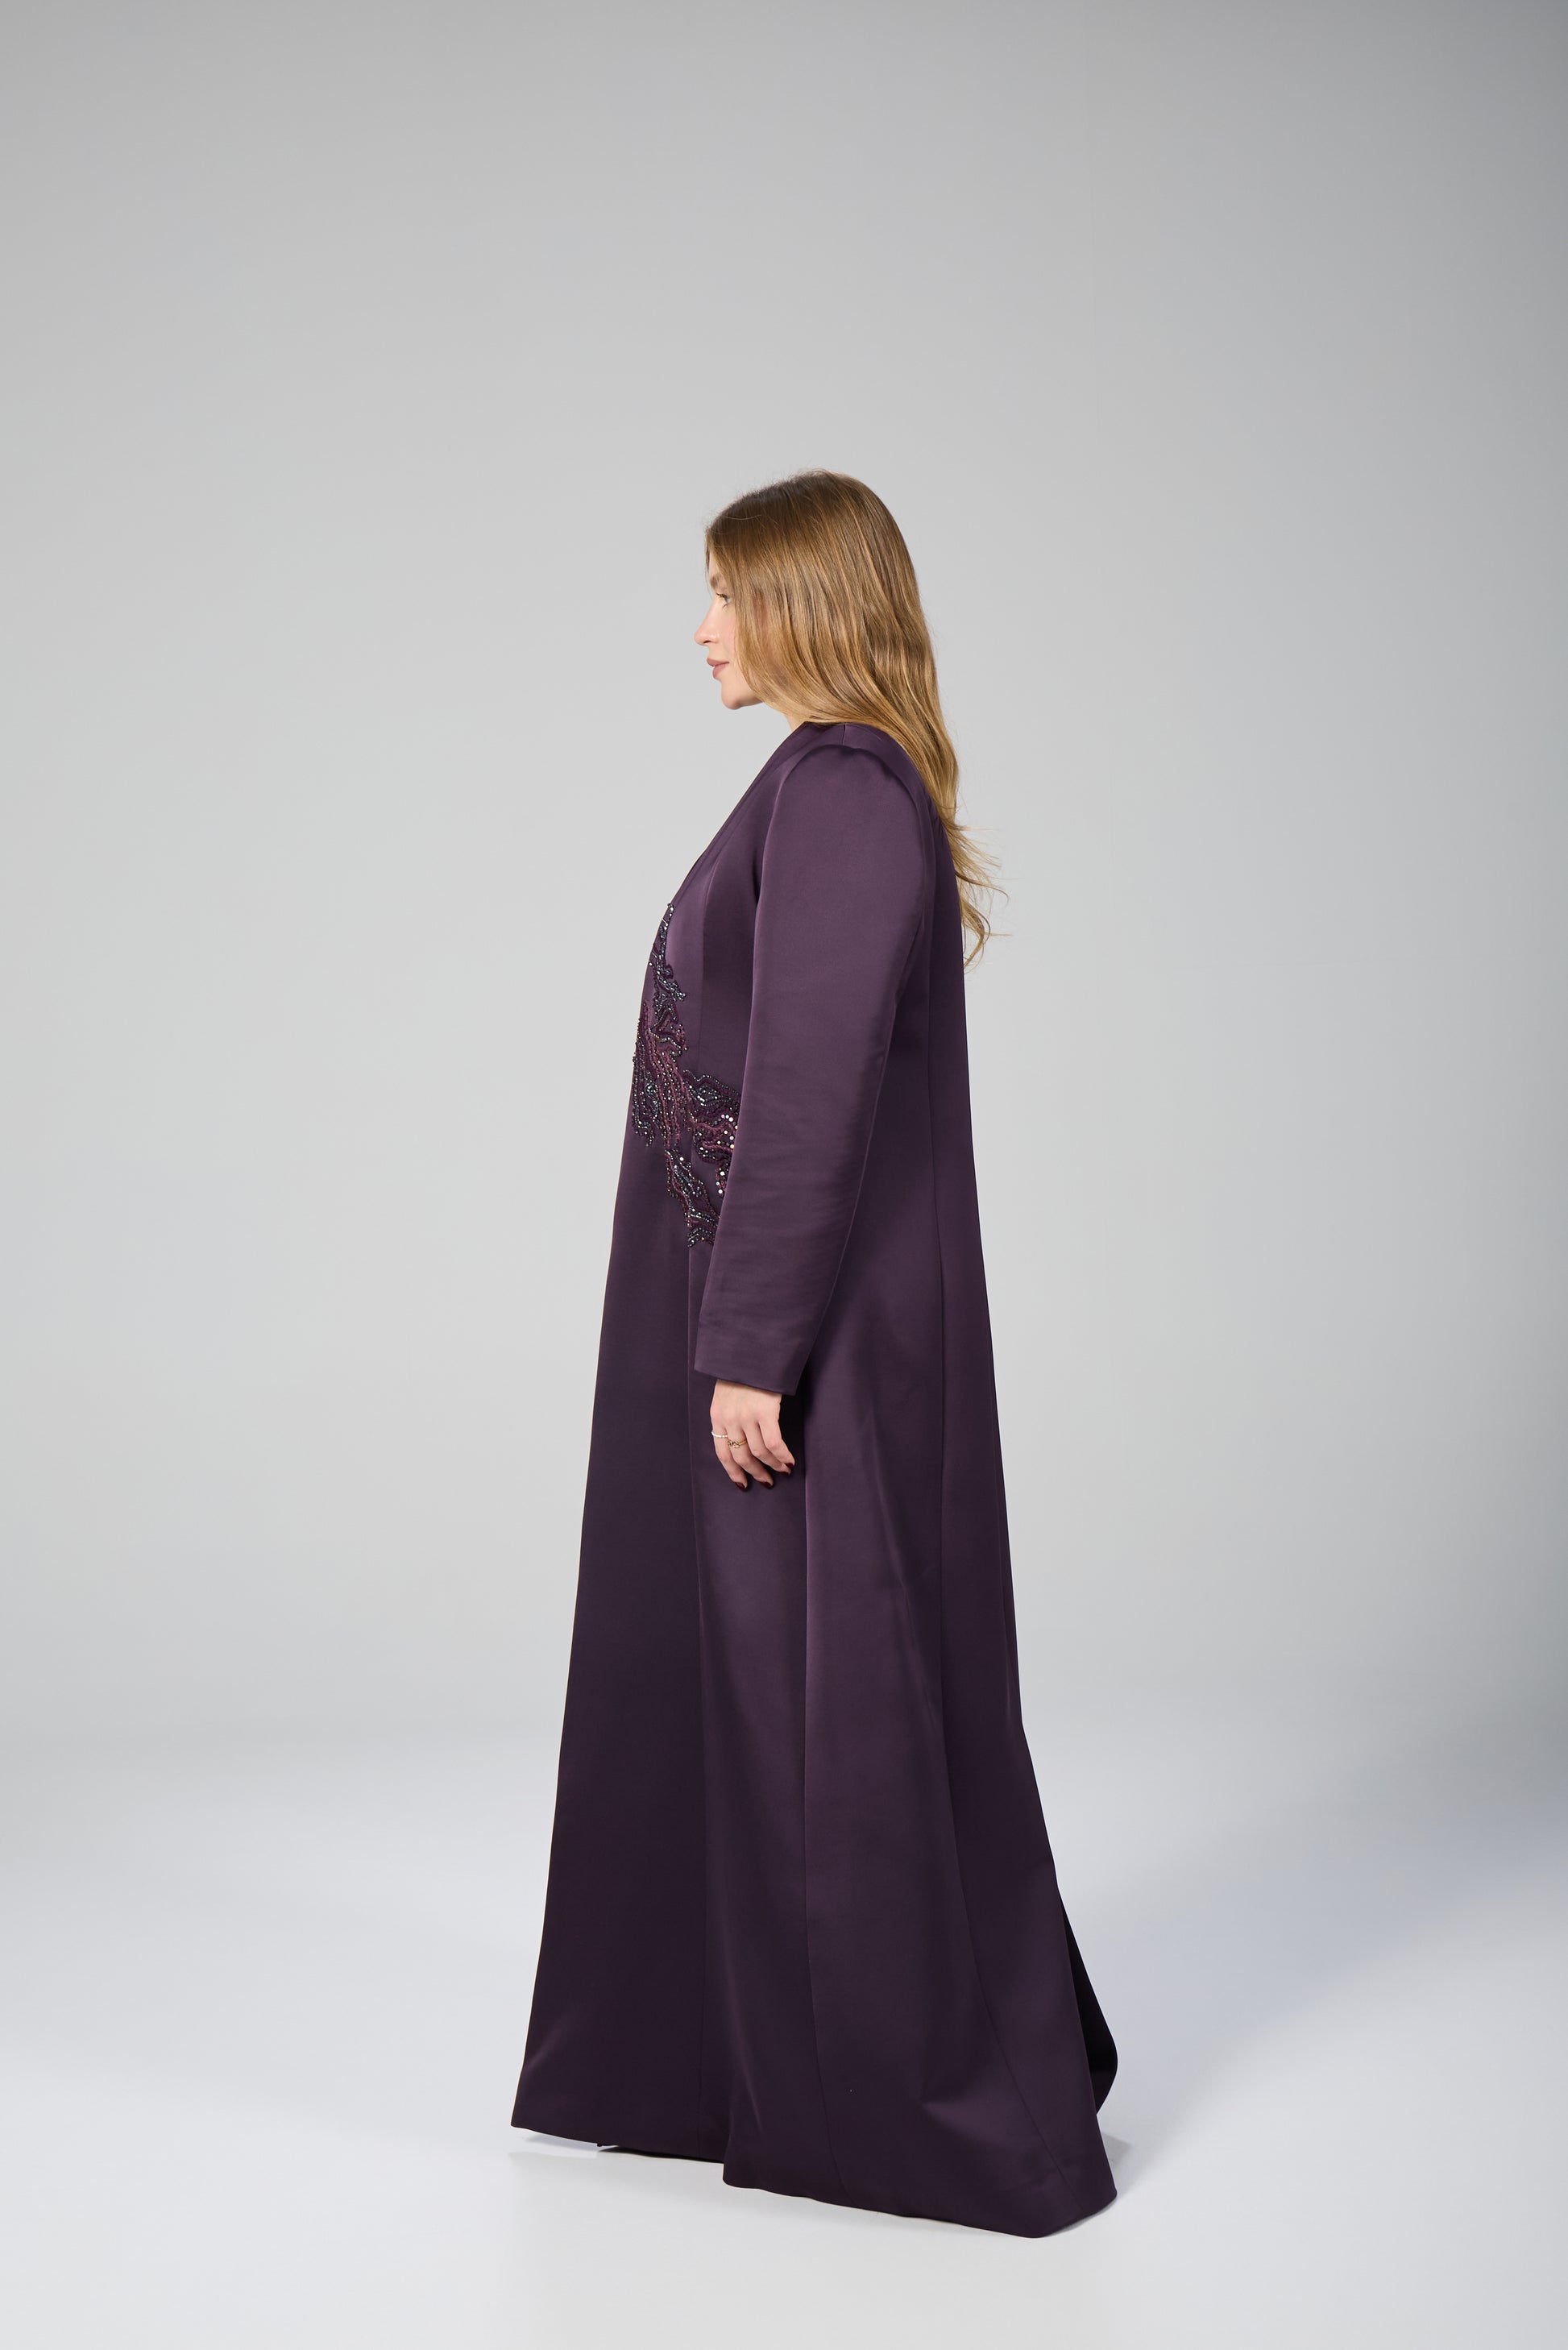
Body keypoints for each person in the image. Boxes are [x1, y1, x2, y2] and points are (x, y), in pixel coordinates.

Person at [510, 470, 1118, 2237]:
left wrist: (753, 1348)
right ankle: (744, 2069)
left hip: (812, 1348)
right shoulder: (821, 786)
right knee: (763, 1694)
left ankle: (898, 2108)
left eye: (722, 591)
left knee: (828, 1708)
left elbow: (809, 1095)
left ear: (798, 603)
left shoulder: (843, 792)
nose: (700, 626)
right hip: (779, 1322)